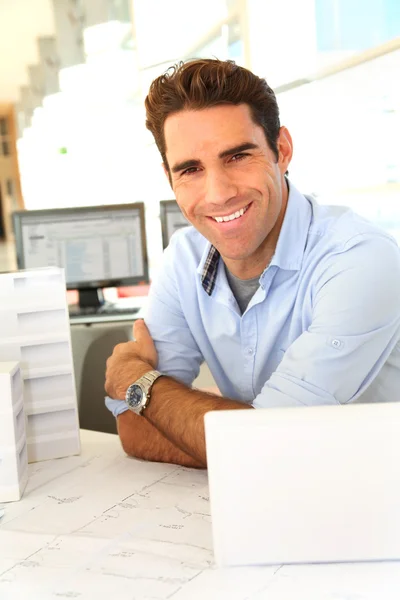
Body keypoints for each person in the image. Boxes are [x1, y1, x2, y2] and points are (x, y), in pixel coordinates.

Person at [105, 58, 400, 469]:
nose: (218, 193)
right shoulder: (184, 258)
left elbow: (266, 451)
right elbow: (135, 431)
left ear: (281, 150)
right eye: (190, 169)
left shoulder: (359, 259)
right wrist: (243, 438)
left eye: (238, 157)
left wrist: (136, 382)